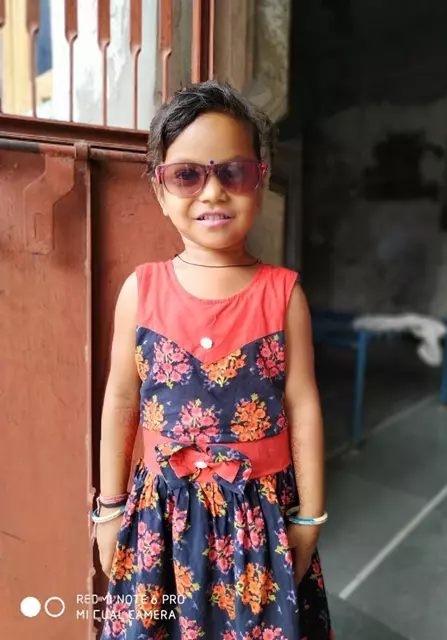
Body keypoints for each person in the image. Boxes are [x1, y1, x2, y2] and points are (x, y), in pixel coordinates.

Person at [95, 81, 333, 640]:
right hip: (159, 519)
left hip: (259, 524)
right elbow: (122, 400)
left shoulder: (283, 295)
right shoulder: (141, 291)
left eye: (233, 172)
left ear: (261, 180)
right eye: (187, 175)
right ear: (160, 189)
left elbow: (302, 404)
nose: (212, 193)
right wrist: (108, 510)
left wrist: (310, 517)